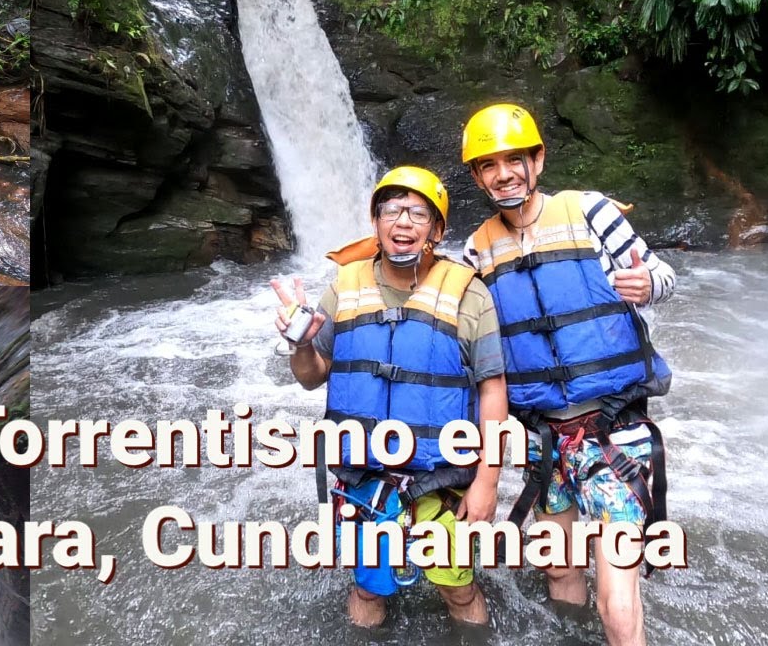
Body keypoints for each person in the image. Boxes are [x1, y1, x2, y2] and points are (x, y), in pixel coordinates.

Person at [459, 104, 676, 646]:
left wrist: (648, 286)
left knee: (615, 597)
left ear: (538, 159)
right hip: (544, 440)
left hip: (613, 431)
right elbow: (459, 335)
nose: (504, 173)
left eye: (515, 159)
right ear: (476, 177)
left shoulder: (592, 212)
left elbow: (661, 272)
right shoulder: (474, 251)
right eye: (489, 165)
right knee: (558, 568)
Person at [271, 166, 509, 628]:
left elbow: (492, 389)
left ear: (436, 230)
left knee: (458, 589)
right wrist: (299, 344)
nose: (403, 222)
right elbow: (310, 376)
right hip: (365, 478)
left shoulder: (470, 293)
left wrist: (488, 481)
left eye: (418, 213)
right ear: (376, 222)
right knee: (367, 588)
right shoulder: (343, 286)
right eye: (391, 210)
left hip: (442, 479)